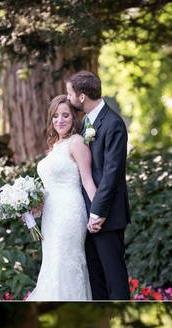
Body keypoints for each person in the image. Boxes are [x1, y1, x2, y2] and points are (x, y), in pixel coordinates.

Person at [65, 71, 132, 300]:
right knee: (96, 282)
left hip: (107, 216)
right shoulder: (85, 123)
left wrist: (98, 212)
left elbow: (112, 174)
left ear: (81, 96)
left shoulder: (114, 124)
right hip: (86, 216)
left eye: (69, 93)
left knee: (115, 281)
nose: (68, 97)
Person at [27, 95, 95, 301]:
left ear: (74, 118)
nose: (60, 120)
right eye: (55, 116)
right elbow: (49, 187)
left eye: (65, 115)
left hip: (69, 214)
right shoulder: (55, 145)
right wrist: (35, 207)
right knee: (52, 264)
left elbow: (87, 180)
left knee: (64, 264)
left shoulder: (76, 142)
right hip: (50, 216)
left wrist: (97, 212)